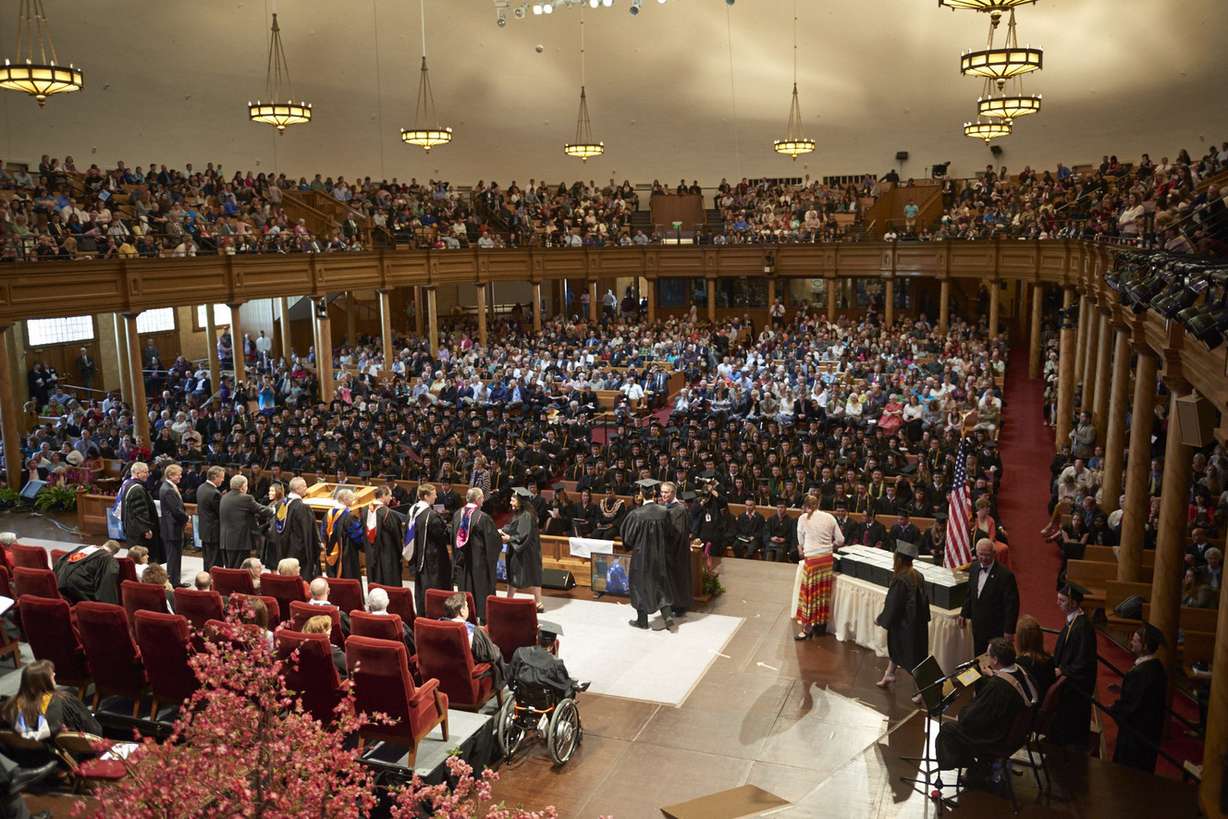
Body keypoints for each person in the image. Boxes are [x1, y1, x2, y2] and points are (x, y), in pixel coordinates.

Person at [935, 638, 1038, 781]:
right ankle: (982, 767)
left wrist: (962, 714)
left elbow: (973, 718)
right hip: (1017, 733)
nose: (987, 659)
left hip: (998, 738)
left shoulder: (998, 687)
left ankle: (977, 770)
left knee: (948, 730)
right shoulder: (1021, 670)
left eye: (988, 656)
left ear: (995, 660)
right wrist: (991, 677)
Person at [1, 661, 102, 763]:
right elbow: (94, 731)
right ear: (44, 682)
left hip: (28, 759)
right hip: (64, 759)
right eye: (51, 675)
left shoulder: (11, 705)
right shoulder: (62, 700)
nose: (54, 674)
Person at [1109, 623, 1167, 773]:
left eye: (1135, 641)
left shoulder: (1142, 672)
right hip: (1148, 731)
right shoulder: (1156, 667)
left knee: (1130, 772)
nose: (1131, 643)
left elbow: (1134, 706)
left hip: (1136, 734)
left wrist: (1114, 709)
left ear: (1145, 646)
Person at [875, 542, 931, 694]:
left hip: (905, 626)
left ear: (898, 559)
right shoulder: (917, 575)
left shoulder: (901, 579)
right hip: (917, 623)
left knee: (912, 658)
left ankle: (923, 691)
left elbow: (894, 604)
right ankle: (889, 674)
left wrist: (881, 619)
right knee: (899, 651)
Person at [621, 479, 676, 631]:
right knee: (661, 584)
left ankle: (642, 621)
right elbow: (671, 533)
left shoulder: (636, 514)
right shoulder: (664, 512)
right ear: (654, 493)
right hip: (660, 556)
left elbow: (628, 538)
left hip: (641, 558)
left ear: (641, 494)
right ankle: (668, 616)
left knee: (639, 586)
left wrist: (630, 546)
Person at [1050, 582, 1098, 748]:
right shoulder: (1074, 622)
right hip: (1068, 686)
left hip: (1076, 691)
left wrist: (1062, 670)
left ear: (1074, 603)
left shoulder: (1082, 627)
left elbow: (1083, 662)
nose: (1058, 603)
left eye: (1062, 600)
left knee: (1072, 733)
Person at [792, 495, 844, 640]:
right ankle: (820, 625)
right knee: (822, 593)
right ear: (818, 503)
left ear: (805, 505)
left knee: (809, 595)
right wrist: (828, 546)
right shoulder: (830, 517)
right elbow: (840, 540)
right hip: (827, 560)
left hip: (813, 560)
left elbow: (800, 541)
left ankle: (807, 628)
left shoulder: (803, 518)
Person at [959, 538, 1019, 657]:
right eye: (981, 554)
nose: (984, 558)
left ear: (994, 554)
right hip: (977, 625)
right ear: (976, 553)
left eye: (987, 555)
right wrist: (964, 612)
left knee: (995, 658)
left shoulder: (1006, 575)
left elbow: (1012, 605)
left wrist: (1009, 630)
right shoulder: (974, 567)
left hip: (996, 628)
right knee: (979, 656)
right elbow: (970, 592)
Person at [449, 487, 501, 624]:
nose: (483, 501)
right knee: (481, 591)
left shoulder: (457, 514)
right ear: (478, 499)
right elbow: (493, 542)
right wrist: (501, 539)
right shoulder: (482, 517)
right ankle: (484, 620)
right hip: (479, 564)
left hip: (462, 563)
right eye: (482, 498)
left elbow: (452, 538)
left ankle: (466, 616)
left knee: (465, 589)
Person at [406, 483, 452, 620]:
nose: (436, 496)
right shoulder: (430, 516)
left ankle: (421, 613)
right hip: (432, 559)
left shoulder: (413, 510)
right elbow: (443, 535)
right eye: (434, 494)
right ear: (426, 496)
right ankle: (434, 615)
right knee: (432, 587)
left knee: (421, 586)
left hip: (418, 556)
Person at [508, 620, 588, 700]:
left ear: (537, 638)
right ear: (553, 643)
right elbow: (563, 685)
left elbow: (510, 675)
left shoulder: (520, 652)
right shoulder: (556, 663)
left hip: (522, 696)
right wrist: (573, 684)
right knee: (569, 690)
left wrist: (513, 688)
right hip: (544, 701)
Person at [442, 592, 505, 688]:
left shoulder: (434, 626)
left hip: (443, 677)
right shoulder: (472, 631)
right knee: (496, 652)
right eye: (466, 606)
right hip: (467, 680)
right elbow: (491, 656)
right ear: (462, 611)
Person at [501, 488, 544, 611]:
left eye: (513, 500)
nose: (510, 502)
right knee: (516, 574)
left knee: (529, 575)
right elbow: (513, 526)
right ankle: (511, 600)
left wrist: (509, 538)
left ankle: (538, 603)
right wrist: (503, 530)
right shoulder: (521, 512)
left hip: (527, 551)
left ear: (520, 501)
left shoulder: (526, 515)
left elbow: (522, 535)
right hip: (522, 549)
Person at [220, 474, 272, 569]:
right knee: (239, 570)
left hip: (225, 540)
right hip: (239, 541)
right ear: (243, 486)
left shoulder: (224, 497)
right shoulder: (245, 498)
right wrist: (274, 510)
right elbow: (261, 509)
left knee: (229, 569)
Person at [659, 481, 693, 616]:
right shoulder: (664, 507)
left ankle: (679, 606)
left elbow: (678, 533)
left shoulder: (680, 509)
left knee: (678, 578)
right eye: (662, 492)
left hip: (676, 551)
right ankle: (670, 604)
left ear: (673, 493)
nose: (663, 494)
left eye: (666, 492)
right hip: (667, 550)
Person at [54, 540, 122, 604]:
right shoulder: (108, 558)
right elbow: (108, 579)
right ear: (114, 553)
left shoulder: (84, 548)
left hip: (59, 577)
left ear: (104, 545)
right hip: (75, 586)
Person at [362, 485, 404, 587]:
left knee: (374, 582)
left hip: (371, 555)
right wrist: (401, 552)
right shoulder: (388, 513)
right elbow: (397, 537)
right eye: (390, 495)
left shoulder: (365, 510)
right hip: (387, 555)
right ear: (383, 495)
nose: (391, 498)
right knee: (388, 584)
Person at [118, 461, 160, 561]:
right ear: (137, 473)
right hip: (138, 531)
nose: (147, 475)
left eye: (147, 472)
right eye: (145, 472)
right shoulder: (137, 489)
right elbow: (140, 512)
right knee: (140, 557)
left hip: (132, 527)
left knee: (134, 556)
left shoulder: (127, 483)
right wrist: (146, 529)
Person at [282, 477, 320, 583]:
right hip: (300, 552)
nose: (306, 488)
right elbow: (308, 533)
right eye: (304, 486)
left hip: (285, 548)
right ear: (298, 489)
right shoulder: (302, 507)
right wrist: (316, 548)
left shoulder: (282, 503)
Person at [158, 462, 188, 588]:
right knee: (173, 558)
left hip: (171, 528)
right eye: (178, 475)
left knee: (175, 557)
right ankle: (172, 582)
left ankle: (175, 581)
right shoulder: (168, 489)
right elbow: (176, 510)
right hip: (172, 529)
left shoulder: (168, 486)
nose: (180, 477)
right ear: (170, 475)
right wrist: (187, 518)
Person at [321, 489, 363, 580]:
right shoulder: (349, 516)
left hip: (329, 552)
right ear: (345, 499)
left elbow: (323, 534)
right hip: (346, 556)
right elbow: (358, 537)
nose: (353, 500)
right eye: (352, 498)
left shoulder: (328, 514)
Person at [1014, 615, 1055, 703]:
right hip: (1041, 703)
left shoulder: (1020, 665)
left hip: (1028, 709)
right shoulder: (1049, 659)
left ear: (1021, 640)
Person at [366, 587, 414, 654]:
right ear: (388, 602)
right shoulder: (399, 625)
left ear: (368, 604)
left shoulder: (359, 622)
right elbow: (413, 648)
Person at [195, 465, 225, 572]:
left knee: (207, 560)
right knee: (215, 561)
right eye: (221, 477)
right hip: (214, 532)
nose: (223, 479)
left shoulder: (201, 487)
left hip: (204, 530)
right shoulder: (214, 493)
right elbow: (220, 513)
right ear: (215, 477)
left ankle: (207, 581)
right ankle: (214, 584)